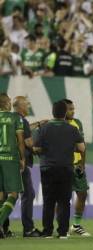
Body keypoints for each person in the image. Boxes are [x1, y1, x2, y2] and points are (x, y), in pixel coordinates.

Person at [34, 101, 85, 239]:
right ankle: (63, 232)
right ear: (64, 113)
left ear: (53, 112)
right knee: (64, 201)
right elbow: (81, 148)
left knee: (48, 200)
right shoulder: (72, 129)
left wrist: (45, 150)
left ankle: (47, 231)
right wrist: (68, 148)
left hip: (47, 168)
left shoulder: (43, 128)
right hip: (66, 168)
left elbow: (35, 148)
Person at [13, 96, 47, 237]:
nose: (29, 107)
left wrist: (38, 124)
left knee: (9, 195)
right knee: (28, 194)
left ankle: (4, 228)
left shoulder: (13, 119)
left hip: (8, 161)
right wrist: (41, 139)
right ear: (20, 106)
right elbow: (28, 142)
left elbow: (25, 129)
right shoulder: (22, 121)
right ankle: (28, 229)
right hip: (21, 162)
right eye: (27, 104)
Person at [62, 99, 90, 237]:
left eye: (73, 109)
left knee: (83, 193)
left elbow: (83, 144)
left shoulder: (77, 123)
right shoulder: (57, 124)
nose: (73, 111)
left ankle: (76, 225)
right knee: (63, 197)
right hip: (63, 164)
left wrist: (82, 163)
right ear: (63, 110)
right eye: (70, 109)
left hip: (77, 165)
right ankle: (63, 227)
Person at [0, 93, 25, 239]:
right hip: (10, 159)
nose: (10, 103)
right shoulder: (15, 118)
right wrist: (22, 158)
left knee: (1, 195)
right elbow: (20, 140)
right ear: (6, 103)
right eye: (9, 101)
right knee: (13, 194)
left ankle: (2, 229)